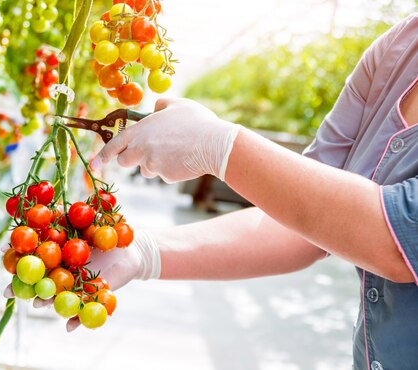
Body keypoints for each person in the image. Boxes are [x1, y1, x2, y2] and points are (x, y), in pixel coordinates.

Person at [86, 13, 418, 370]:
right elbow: (300, 220)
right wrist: (143, 253)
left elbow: (398, 239)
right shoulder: (399, 49)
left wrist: (217, 145)